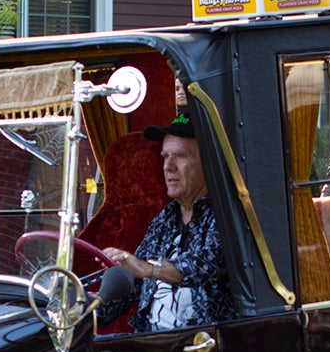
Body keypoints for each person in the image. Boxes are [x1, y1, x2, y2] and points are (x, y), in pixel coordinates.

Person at [100, 112, 235, 333]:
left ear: (208, 163)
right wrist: (87, 311)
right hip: (151, 347)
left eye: (181, 156)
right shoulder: (165, 219)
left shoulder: (227, 215)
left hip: (204, 349)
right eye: (165, 156)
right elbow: (132, 282)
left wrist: (147, 269)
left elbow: (202, 264)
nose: (168, 166)